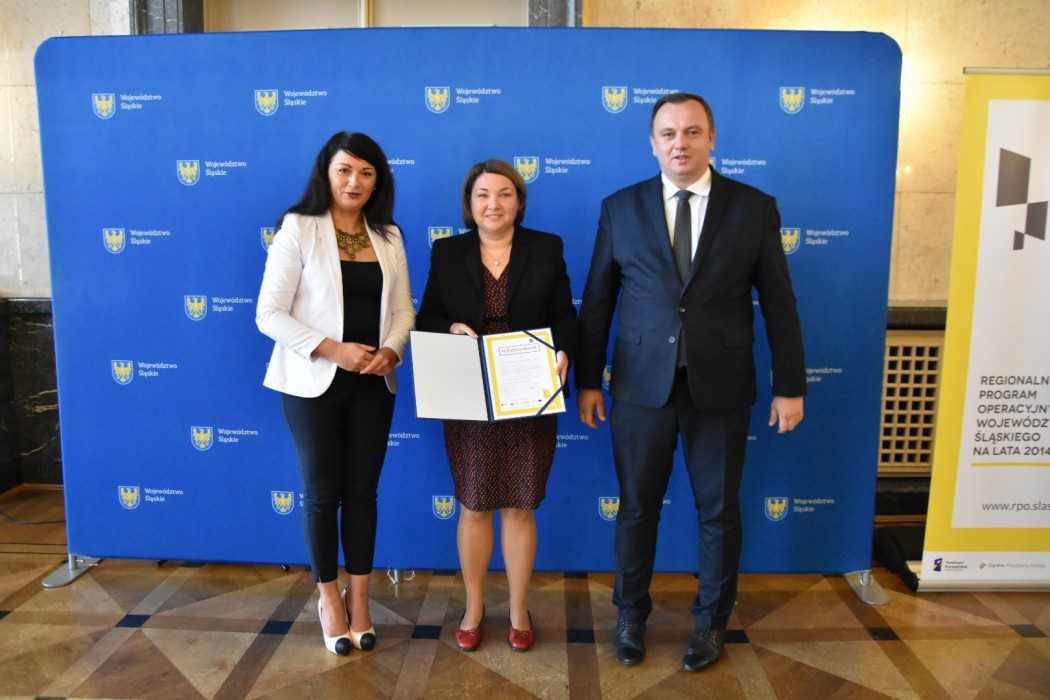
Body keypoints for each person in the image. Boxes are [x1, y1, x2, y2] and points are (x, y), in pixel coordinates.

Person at [575, 93, 806, 673]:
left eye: (692, 131)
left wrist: (790, 385)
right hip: (638, 388)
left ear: (712, 139)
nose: (680, 143)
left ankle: (711, 622)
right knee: (636, 508)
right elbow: (598, 301)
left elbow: (780, 303)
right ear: (652, 143)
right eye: (669, 133)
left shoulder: (753, 208)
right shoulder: (620, 208)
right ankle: (631, 616)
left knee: (719, 512)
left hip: (721, 388)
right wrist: (588, 381)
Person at [256, 131, 415, 656]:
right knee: (323, 493)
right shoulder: (298, 227)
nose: (354, 181)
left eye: (366, 172)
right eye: (345, 169)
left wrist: (392, 349)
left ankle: (361, 600)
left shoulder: (388, 235)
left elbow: (403, 309)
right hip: (313, 383)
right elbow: (268, 314)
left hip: (375, 383)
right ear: (326, 172)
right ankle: (329, 600)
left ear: (378, 180)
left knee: (364, 493)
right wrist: (332, 349)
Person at [416, 159, 579, 653]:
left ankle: (518, 608)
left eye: (505, 194)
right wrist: (450, 328)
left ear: (519, 202)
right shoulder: (448, 251)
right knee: (473, 506)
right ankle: (473, 608)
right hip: (468, 395)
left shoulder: (546, 247)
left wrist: (565, 350)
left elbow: (564, 315)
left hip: (528, 391)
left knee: (521, 506)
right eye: (483, 195)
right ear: (469, 204)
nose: (494, 204)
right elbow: (427, 318)